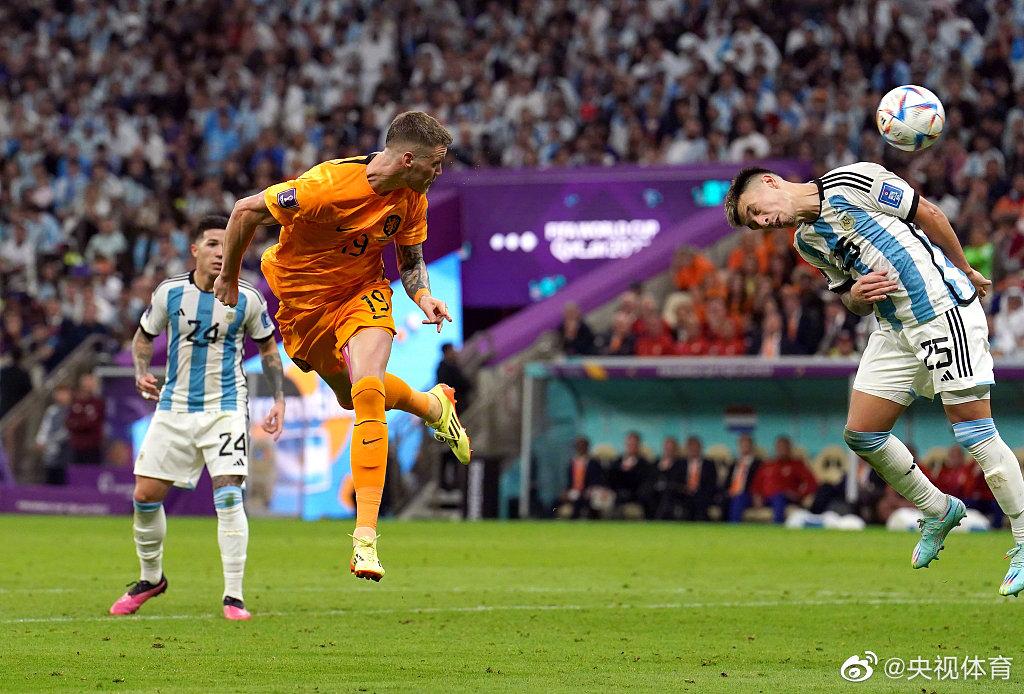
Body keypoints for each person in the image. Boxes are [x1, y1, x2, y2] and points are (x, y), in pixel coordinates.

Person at [724, 162, 1024, 596]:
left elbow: (929, 214)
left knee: (974, 431)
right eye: (754, 223)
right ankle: (938, 509)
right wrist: (857, 295)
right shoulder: (807, 242)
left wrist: (965, 269)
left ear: (770, 182)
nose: (763, 221)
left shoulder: (852, 181)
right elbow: (848, 296)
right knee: (862, 434)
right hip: (892, 330)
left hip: (940, 311)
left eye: (756, 210)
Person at [214, 112, 470, 582]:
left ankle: (365, 540)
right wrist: (229, 275)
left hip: (362, 294)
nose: (439, 172)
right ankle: (433, 405)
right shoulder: (327, 186)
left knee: (367, 391)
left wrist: (423, 296)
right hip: (305, 308)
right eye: (435, 163)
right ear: (408, 159)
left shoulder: (413, 198)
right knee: (349, 396)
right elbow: (245, 211)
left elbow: (409, 261)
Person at [109, 216, 286, 622]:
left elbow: (268, 348)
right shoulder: (170, 293)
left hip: (225, 408)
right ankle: (151, 579)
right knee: (145, 496)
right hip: (174, 407)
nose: (221, 252)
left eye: (228, 244)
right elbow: (143, 337)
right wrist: (140, 372)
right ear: (194, 250)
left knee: (228, 494)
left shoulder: (248, 297)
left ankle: (234, 596)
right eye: (211, 244)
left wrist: (278, 397)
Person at [750, 436, 818, 523]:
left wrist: (799, 495)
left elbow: (812, 483)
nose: (782, 450)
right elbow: (756, 484)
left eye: (784, 447)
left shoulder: (797, 464)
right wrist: (756, 496)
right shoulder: (767, 464)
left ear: (789, 448)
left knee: (779, 498)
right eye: (779, 447)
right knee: (739, 498)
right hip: (766, 498)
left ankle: (778, 526)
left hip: (785, 498)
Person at [558, 437, 605, 519]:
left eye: (582, 446)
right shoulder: (572, 463)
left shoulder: (594, 463)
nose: (580, 448)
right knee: (555, 503)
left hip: (589, 491)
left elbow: (598, 479)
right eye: (578, 446)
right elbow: (570, 482)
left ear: (587, 447)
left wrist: (591, 489)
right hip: (574, 492)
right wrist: (566, 491)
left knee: (582, 501)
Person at [35, 384, 72, 485]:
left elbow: (69, 430)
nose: (61, 396)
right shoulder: (52, 411)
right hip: (51, 450)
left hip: (66, 449)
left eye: (64, 394)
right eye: (59, 393)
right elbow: (45, 427)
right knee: (50, 473)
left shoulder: (72, 410)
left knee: (64, 474)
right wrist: (41, 440)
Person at [66, 372, 105, 465]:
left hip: (93, 446)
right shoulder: (74, 402)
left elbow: (94, 422)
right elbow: (69, 422)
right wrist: (80, 423)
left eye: (90, 381)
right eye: (86, 381)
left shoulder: (98, 403)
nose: (88, 384)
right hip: (76, 446)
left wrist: (79, 424)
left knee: (92, 470)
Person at [723, 433, 763, 523]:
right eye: (742, 445)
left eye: (747, 445)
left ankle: (734, 528)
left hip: (747, 494)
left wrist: (757, 495)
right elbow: (727, 482)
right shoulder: (734, 463)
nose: (744, 447)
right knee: (722, 500)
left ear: (752, 446)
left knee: (738, 499)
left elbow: (759, 482)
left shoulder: (758, 464)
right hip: (731, 493)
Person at [678, 436, 719, 521]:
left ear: (700, 448)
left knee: (700, 503)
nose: (693, 449)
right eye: (691, 447)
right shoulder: (680, 464)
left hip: (702, 495)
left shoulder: (709, 464)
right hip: (683, 495)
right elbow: (676, 481)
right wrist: (684, 489)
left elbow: (712, 484)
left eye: (696, 447)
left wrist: (698, 491)